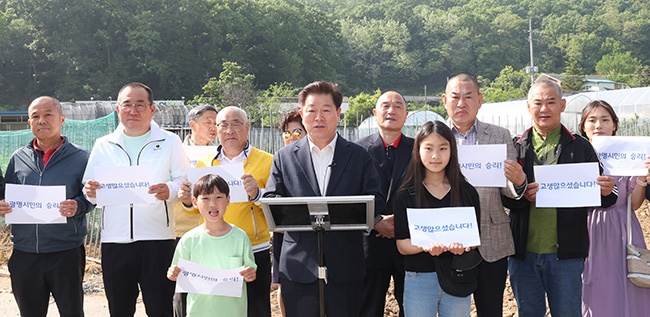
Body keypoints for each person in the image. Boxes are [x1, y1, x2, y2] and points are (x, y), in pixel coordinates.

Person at [263, 81, 385, 316]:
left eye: (326, 110)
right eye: (311, 110)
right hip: (298, 266)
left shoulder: (359, 155)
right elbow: (272, 197)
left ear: (338, 113)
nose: (318, 117)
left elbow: (376, 198)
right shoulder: (284, 156)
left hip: (346, 265)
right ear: (302, 114)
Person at [502, 80, 618, 317]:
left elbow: (607, 195)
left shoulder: (581, 146)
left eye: (551, 102)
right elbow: (505, 198)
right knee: (529, 312)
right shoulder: (516, 147)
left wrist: (606, 191)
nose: (544, 109)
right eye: (538, 103)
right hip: (523, 253)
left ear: (562, 105)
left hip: (566, 255)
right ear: (528, 106)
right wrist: (523, 192)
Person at [83, 82, 190, 316]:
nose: (133, 111)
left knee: (161, 307)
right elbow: (88, 188)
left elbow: (185, 180)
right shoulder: (103, 145)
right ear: (117, 109)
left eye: (140, 105)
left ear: (152, 109)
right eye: (127, 105)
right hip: (115, 241)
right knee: (119, 309)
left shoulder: (170, 142)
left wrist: (170, 190)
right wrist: (90, 192)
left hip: (158, 240)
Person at [442, 73, 527, 317]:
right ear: (444, 100)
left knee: (491, 309)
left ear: (480, 100)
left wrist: (519, 182)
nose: (461, 103)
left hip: (491, 238)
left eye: (468, 97)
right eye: (455, 97)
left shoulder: (499, 135)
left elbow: (507, 190)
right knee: (452, 309)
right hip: (449, 237)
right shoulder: (434, 136)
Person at [0, 96, 93, 316]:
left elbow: (91, 197)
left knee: (72, 312)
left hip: (66, 251)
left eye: (48, 115)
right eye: (36, 116)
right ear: (29, 123)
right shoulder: (18, 158)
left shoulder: (81, 158)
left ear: (62, 119)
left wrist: (77, 206)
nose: (42, 120)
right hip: (24, 253)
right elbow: (9, 195)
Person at [178, 106, 273, 317]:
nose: (229, 130)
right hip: (212, 251)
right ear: (217, 130)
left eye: (236, 124)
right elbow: (197, 209)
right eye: (223, 125)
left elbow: (277, 204)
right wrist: (187, 202)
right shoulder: (205, 163)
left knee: (256, 309)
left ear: (247, 128)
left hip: (254, 248)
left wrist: (258, 194)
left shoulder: (267, 161)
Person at [394, 120, 481, 316]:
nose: (436, 156)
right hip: (419, 279)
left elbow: (474, 240)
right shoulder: (405, 195)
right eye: (429, 148)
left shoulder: (467, 192)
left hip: (457, 277)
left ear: (452, 151)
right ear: (418, 150)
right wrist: (424, 246)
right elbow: (402, 245)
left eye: (443, 148)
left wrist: (463, 246)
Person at [578, 100, 650, 317]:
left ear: (614, 125)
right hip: (587, 230)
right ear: (583, 126)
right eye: (592, 120)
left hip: (622, 230)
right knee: (591, 286)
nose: (598, 125)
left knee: (626, 285)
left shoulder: (628, 156)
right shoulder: (576, 155)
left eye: (604, 119)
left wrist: (642, 178)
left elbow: (634, 204)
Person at [167, 174, 257, 316]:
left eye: (218, 197)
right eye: (205, 198)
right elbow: (176, 272)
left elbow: (250, 272)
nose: (213, 204)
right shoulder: (188, 240)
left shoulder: (240, 237)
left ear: (228, 199)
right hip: (198, 311)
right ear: (195, 202)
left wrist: (250, 274)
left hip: (233, 312)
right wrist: (173, 273)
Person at [356, 91, 413, 316]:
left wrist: (401, 223)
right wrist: (376, 221)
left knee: (410, 308)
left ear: (406, 114)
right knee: (368, 308)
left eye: (398, 106)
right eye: (386, 106)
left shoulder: (419, 149)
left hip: (408, 243)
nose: (392, 111)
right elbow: (349, 193)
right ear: (375, 113)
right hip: (370, 244)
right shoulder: (356, 151)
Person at [173, 104, 218, 317]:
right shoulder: (177, 153)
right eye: (208, 122)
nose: (213, 127)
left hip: (211, 231)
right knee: (182, 289)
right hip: (181, 230)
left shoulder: (219, 156)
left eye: (215, 123)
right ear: (192, 125)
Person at [272, 108, 306, 317]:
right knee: (284, 283)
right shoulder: (280, 160)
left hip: (313, 232)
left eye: (297, 132)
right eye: (287, 133)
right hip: (286, 234)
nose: (291, 137)